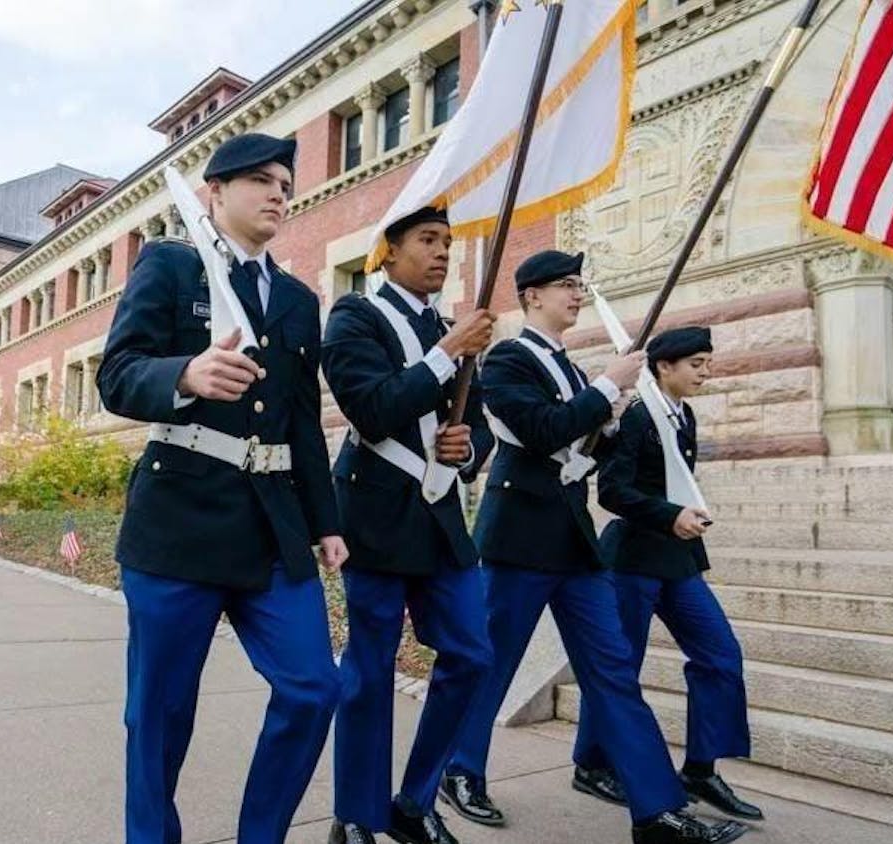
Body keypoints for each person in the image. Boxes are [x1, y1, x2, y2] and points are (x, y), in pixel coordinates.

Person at [440, 251, 746, 844]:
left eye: (579, 286)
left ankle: (656, 812)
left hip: (574, 538)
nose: (577, 295)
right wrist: (610, 386)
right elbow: (540, 431)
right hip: (520, 535)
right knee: (490, 663)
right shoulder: (507, 359)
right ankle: (460, 769)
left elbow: (589, 451)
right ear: (532, 296)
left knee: (612, 672)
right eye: (565, 286)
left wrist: (616, 418)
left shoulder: (574, 372)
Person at [96, 132, 346, 844]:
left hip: (273, 527)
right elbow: (118, 373)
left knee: (313, 688)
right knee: (160, 712)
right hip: (179, 521)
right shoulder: (172, 266)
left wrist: (326, 521)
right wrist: (184, 375)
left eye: (287, 185)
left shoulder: (298, 300)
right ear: (217, 192)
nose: (279, 194)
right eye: (262, 180)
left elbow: (301, 419)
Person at [322, 206, 496, 844]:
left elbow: (478, 423)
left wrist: (467, 449)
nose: (443, 252)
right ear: (386, 252)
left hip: (441, 519)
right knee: (368, 670)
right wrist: (449, 352)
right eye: (428, 240)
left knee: (473, 655)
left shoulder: (453, 330)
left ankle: (414, 801)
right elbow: (371, 409)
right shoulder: (355, 317)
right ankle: (357, 817)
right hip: (374, 515)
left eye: (449, 243)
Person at [583, 326, 764, 825]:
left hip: (679, 560)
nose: (707, 373)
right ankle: (593, 763)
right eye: (697, 364)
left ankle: (701, 769)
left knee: (720, 655)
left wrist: (682, 518)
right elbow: (612, 491)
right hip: (633, 560)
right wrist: (668, 515)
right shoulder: (640, 415)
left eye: (707, 363)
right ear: (664, 366)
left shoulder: (682, 415)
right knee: (620, 667)